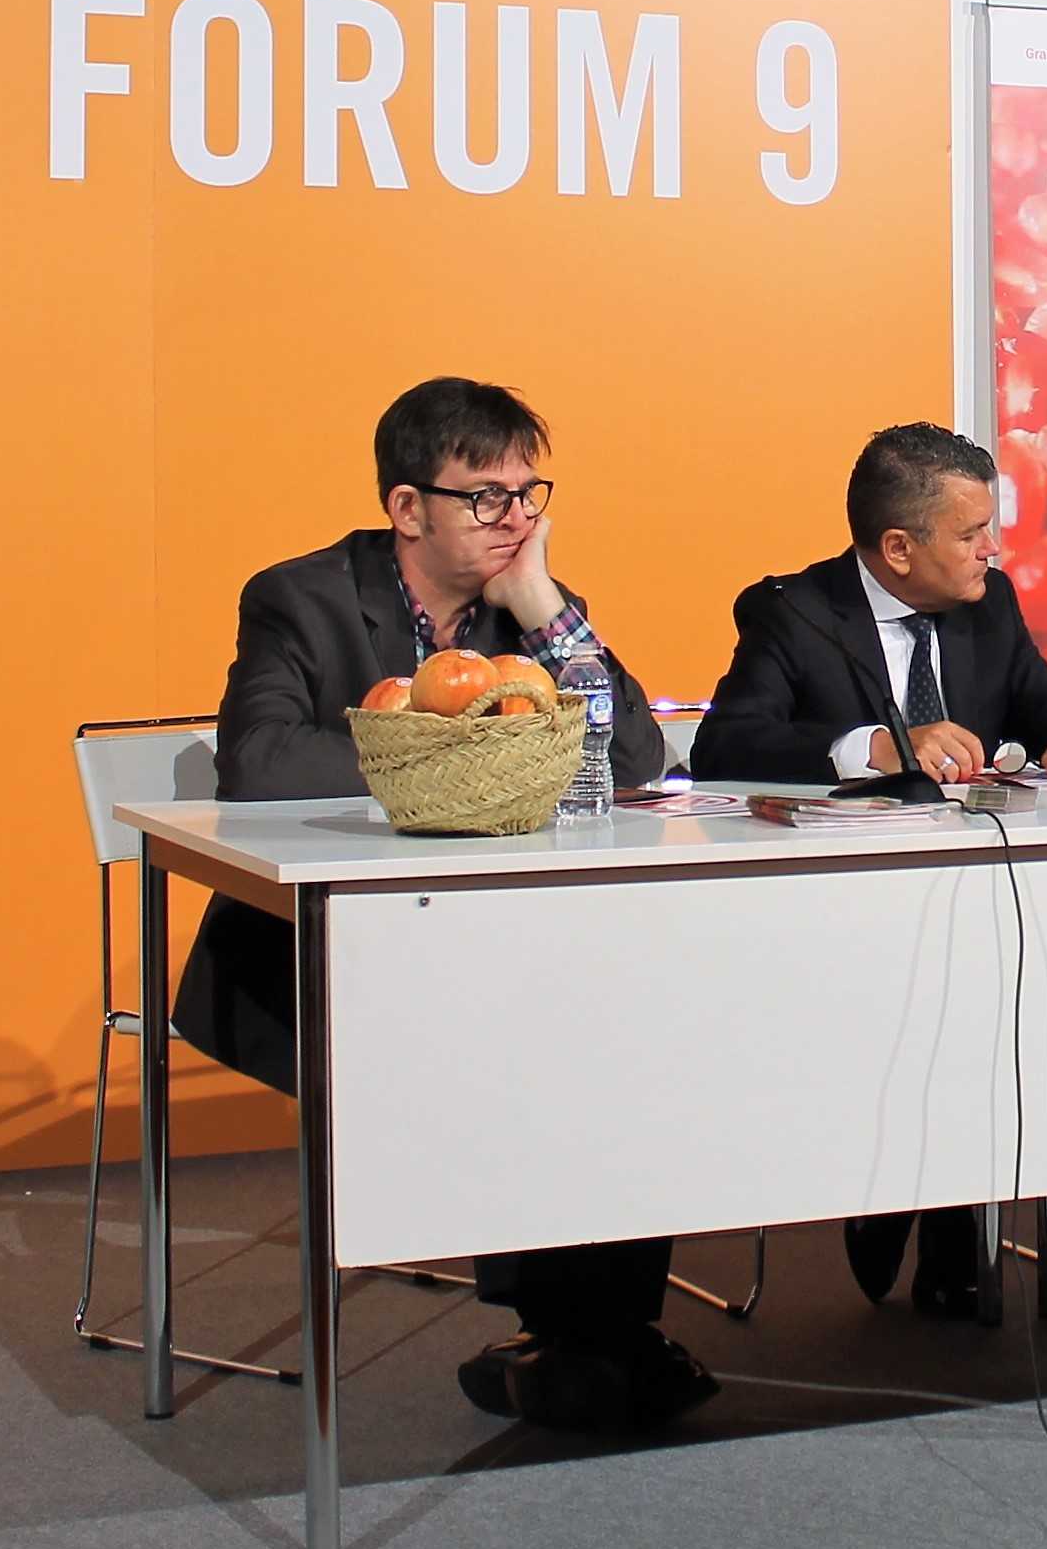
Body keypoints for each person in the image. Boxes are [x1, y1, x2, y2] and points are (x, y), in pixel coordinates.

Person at [173, 375, 698, 1437]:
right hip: (321, 955)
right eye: (487, 497)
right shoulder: (302, 598)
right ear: (408, 507)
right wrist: (465, 754)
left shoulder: (526, 605)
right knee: (528, 1041)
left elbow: (640, 758)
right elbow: (261, 765)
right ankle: (585, 1338)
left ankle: (580, 1337)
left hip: (503, 947)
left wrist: (548, 611)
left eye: (528, 493)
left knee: (626, 1023)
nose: (517, 519)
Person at [692, 422, 1047, 1316]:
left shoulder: (990, 604)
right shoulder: (794, 610)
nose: (992, 551)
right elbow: (723, 747)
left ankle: (949, 1219)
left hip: (971, 906)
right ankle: (898, 1194)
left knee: (1004, 990)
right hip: (837, 914)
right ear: (898, 548)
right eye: (972, 535)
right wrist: (877, 746)